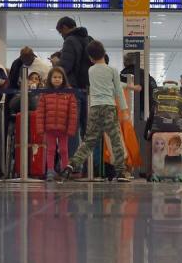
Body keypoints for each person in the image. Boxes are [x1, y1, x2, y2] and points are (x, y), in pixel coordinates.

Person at [58, 40, 131, 182]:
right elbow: (118, 91)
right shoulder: (112, 70)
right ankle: (121, 172)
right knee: (115, 139)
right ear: (104, 53)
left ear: (90, 58)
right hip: (109, 108)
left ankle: (71, 166)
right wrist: (124, 110)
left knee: (89, 141)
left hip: (94, 108)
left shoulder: (90, 70)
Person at [37, 67, 79, 181]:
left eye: (59, 77)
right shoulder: (44, 93)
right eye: (54, 77)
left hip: (63, 128)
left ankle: (65, 170)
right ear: (50, 78)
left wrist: (71, 129)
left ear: (63, 79)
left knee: (64, 150)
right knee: (50, 150)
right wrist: (40, 129)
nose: (57, 79)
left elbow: (73, 112)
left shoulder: (69, 93)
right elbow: (40, 112)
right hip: (49, 128)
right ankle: (50, 170)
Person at [56, 17, 94, 91]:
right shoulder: (90, 39)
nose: (62, 35)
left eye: (60, 32)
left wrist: (56, 63)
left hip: (76, 86)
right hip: (90, 85)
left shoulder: (69, 40)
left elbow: (65, 66)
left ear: (65, 27)